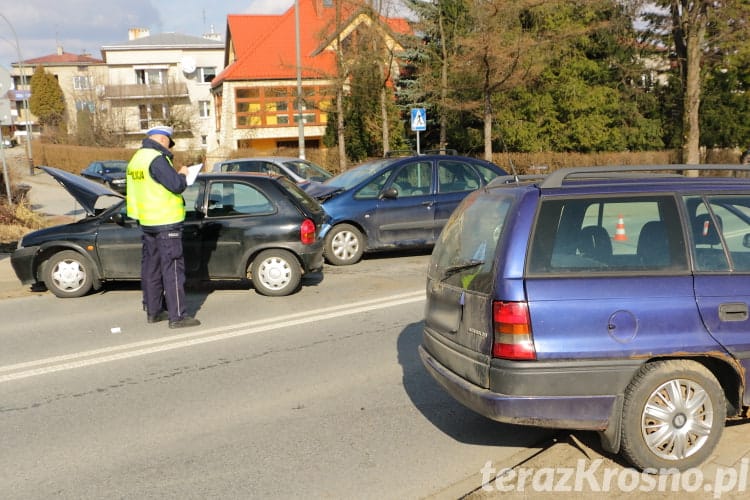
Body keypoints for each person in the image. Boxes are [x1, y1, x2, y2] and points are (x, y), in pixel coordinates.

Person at [126, 125, 200, 329]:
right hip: (166, 221)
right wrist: (183, 173)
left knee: (152, 267)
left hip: (147, 221)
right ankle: (177, 317)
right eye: (169, 141)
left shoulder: (137, 159)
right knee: (173, 267)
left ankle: (154, 311)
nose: (170, 146)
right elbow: (176, 185)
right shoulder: (156, 158)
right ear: (162, 139)